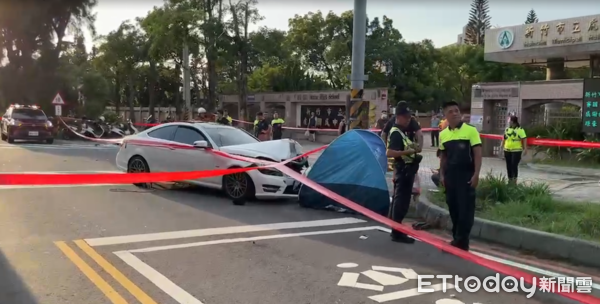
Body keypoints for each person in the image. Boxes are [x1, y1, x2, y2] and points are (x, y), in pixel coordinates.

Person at [438, 101, 482, 251]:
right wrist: (441, 174)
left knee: (466, 210)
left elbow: (477, 154)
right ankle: (457, 237)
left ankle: (463, 241)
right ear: (445, 116)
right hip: (450, 176)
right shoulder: (443, 134)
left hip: (466, 175)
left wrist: (476, 174)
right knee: (453, 208)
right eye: (451, 111)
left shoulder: (471, 131)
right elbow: (443, 156)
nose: (455, 113)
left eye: (457, 110)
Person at [386, 103, 422, 244]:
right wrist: (410, 151)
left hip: (406, 171)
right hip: (403, 171)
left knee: (402, 201)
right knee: (401, 203)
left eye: (409, 117)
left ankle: (397, 230)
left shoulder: (400, 131)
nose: (408, 120)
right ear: (399, 117)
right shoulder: (395, 132)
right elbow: (389, 152)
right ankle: (397, 232)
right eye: (406, 117)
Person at [502, 116, 527, 184]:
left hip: (516, 150)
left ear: (513, 121)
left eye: (509, 121)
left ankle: (514, 181)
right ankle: (510, 180)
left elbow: (524, 138)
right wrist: (501, 146)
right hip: (507, 149)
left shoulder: (520, 129)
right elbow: (504, 138)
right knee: (508, 165)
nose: (509, 122)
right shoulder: (507, 129)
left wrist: (525, 148)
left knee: (514, 165)